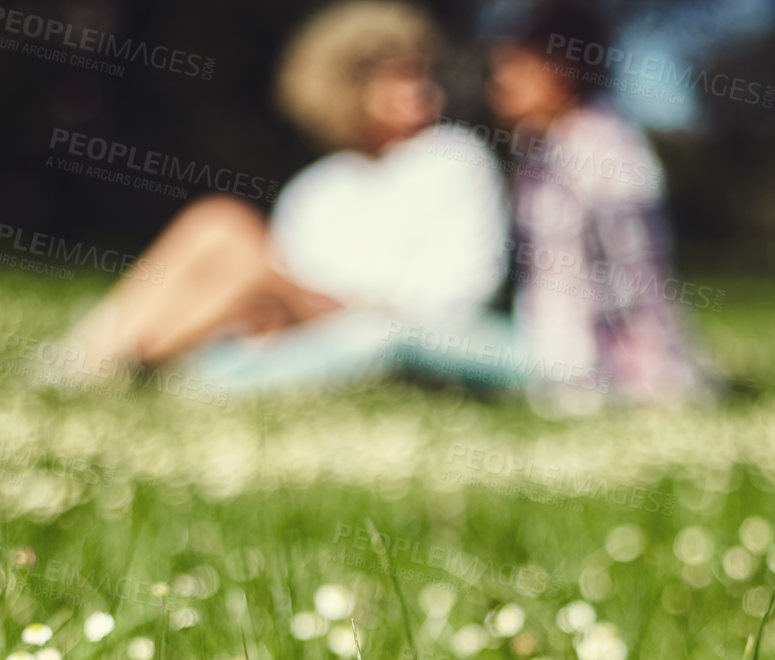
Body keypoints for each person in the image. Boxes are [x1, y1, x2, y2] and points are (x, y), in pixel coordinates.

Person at [50, 1, 507, 390]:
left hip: (380, 316)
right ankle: (99, 351)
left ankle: (122, 364)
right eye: (396, 79)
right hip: (300, 310)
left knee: (247, 262)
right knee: (217, 222)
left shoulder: (454, 158)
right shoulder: (321, 186)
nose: (419, 92)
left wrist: (341, 304)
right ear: (348, 89)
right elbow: (295, 268)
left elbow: (459, 289)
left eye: (419, 76)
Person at [485, 1, 712, 407]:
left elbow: (636, 271)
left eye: (516, 67)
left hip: (607, 364)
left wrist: (640, 375)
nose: (500, 83)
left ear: (561, 72)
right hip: (547, 346)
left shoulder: (609, 149)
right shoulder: (535, 144)